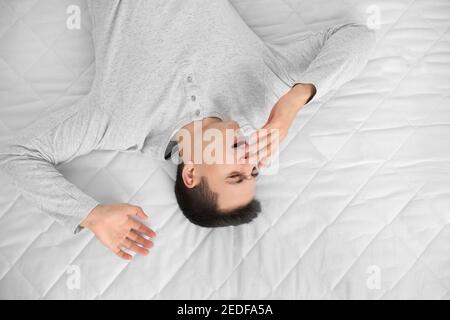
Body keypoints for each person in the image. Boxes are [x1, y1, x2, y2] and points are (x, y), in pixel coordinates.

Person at [0, 0, 376, 260]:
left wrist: (90, 214)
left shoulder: (120, 121)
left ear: (192, 173)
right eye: (254, 170)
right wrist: (294, 102)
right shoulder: (267, 94)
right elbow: (357, 36)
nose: (249, 159)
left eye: (235, 174)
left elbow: (15, 154)